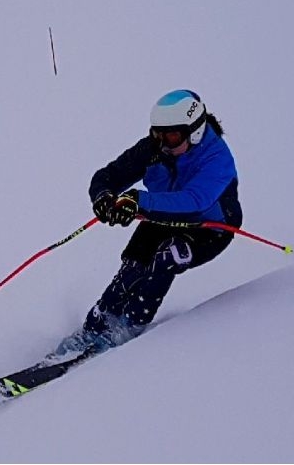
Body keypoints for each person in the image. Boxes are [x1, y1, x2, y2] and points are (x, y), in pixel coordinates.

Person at [49, 89, 242, 361]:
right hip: (163, 214)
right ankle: (97, 323)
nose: (163, 143)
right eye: (157, 134)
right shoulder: (155, 148)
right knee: (136, 261)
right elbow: (109, 175)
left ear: (194, 131)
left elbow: (195, 200)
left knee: (168, 255)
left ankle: (129, 325)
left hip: (210, 227)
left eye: (172, 136)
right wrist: (104, 196)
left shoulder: (217, 158)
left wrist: (138, 201)